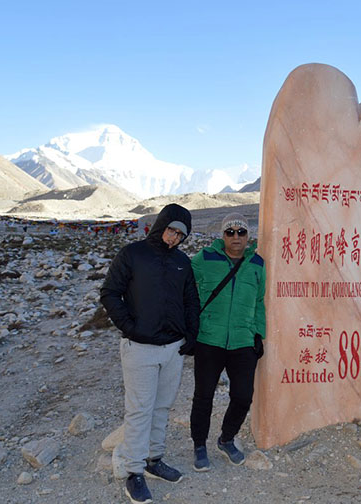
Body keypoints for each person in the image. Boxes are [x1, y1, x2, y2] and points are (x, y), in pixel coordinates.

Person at [100, 203, 199, 504]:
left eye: (181, 234)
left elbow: (191, 301)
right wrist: (130, 327)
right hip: (140, 348)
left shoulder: (182, 261)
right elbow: (109, 293)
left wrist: (191, 334)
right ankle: (134, 472)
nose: (174, 237)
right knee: (140, 409)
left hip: (172, 348)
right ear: (161, 226)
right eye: (171, 230)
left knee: (162, 406)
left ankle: (155, 459)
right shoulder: (133, 254)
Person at [189, 212, 266, 471]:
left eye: (241, 232)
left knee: (243, 396)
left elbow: (259, 302)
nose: (236, 237)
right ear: (222, 235)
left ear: (248, 236)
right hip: (209, 340)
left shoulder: (257, 263)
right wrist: (191, 327)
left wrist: (258, 333)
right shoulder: (205, 259)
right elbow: (185, 288)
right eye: (230, 232)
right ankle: (200, 445)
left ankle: (226, 438)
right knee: (203, 396)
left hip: (243, 342)